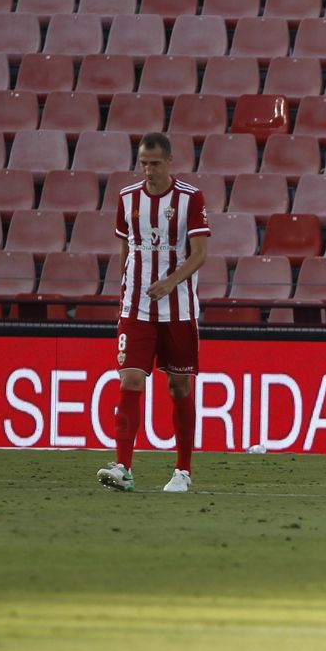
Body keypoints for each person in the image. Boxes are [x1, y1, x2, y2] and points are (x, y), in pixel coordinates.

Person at [97, 132, 211, 494]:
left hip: (178, 309)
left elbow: (200, 253)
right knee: (130, 379)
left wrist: (171, 282)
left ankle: (183, 470)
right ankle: (123, 468)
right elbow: (125, 248)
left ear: (169, 161)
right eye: (144, 163)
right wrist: (123, 287)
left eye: (155, 163)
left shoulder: (190, 198)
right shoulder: (127, 198)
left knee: (179, 385)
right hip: (136, 307)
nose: (148, 170)